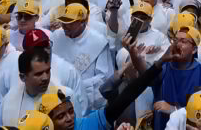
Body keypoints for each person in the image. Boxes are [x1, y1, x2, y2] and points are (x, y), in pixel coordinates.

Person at [37, 40, 181, 130]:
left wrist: (160, 61)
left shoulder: (87, 124)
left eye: (70, 111)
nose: (69, 118)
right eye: (61, 116)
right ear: (47, 121)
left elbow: (129, 94)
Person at [51, 3, 115, 113]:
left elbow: (105, 76)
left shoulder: (98, 41)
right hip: (57, 96)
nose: (64, 26)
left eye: (69, 22)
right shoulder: (56, 36)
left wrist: (77, 85)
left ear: (82, 22)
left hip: (88, 98)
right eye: (63, 21)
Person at [149, 27, 201, 130]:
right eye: (175, 40)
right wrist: (135, 56)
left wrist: (174, 109)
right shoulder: (164, 66)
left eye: (183, 41)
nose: (177, 44)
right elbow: (146, 78)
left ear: (194, 50)